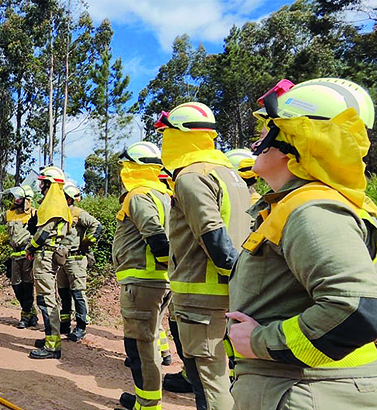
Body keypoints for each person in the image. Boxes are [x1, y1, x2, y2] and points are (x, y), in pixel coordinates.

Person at [227, 78, 377, 409]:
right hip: (304, 387)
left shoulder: (312, 209)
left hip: (306, 391)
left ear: (297, 139)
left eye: (269, 130)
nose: (258, 140)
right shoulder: (306, 205)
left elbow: (357, 309)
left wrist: (260, 341)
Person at [156, 102, 251, 410]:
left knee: (209, 383)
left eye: (167, 134)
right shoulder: (229, 173)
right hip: (228, 295)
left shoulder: (191, 176)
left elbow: (211, 233)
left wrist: (233, 275)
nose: (163, 142)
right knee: (222, 375)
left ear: (180, 135)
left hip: (203, 300)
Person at [112, 141, 173, 410]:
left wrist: (162, 263)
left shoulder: (138, 195)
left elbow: (155, 233)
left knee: (139, 346)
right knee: (148, 342)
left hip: (144, 282)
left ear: (134, 167)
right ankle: (145, 400)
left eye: (126, 166)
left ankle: (147, 405)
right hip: (158, 281)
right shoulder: (164, 194)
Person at [26, 165, 71, 359]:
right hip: (49, 255)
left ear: (50, 184)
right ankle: (49, 338)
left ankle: (52, 346)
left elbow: (43, 234)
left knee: (46, 300)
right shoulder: (58, 204)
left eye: (43, 182)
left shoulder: (52, 206)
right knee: (48, 297)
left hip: (45, 256)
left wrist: (30, 247)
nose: (41, 186)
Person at [57, 181, 102, 342]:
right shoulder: (59, 212)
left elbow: (97, 226)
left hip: (76, 259)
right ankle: (65, 324)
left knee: (78, 294)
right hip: (61, 260)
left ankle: (81, 327)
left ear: (69, 199)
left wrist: (86, 243)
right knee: (63, 293)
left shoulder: (78, 212)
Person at [0, 185, 39, 328]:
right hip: (15, 255)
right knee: (16, 286)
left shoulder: (34, 214)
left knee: (27, 286)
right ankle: (31, 313)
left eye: (19, 198)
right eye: (15, 197)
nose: (16, 200)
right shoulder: (10, 213)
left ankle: (25, 316)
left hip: (28, 255)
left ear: (27, 200)